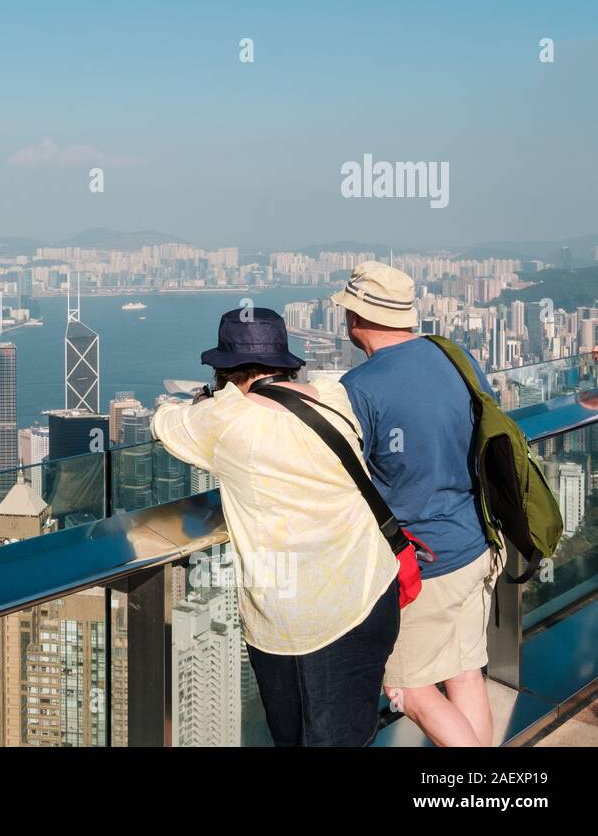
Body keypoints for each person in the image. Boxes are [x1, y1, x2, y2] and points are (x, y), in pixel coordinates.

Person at [153, 306, 400, 746]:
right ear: (284, 362)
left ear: (225, 369)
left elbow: (164, 423)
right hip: (374, 592)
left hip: (306, 628)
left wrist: (212, 398)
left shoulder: (226, 419)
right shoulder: (332, 395)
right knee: (356, 734)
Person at [334, 261, 501, 747]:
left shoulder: (360, 389)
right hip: (477, 543)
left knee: (408, 686)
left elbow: (349, 483)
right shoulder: (455, 356)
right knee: (466, 673)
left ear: (355, 318)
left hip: (424, 567)